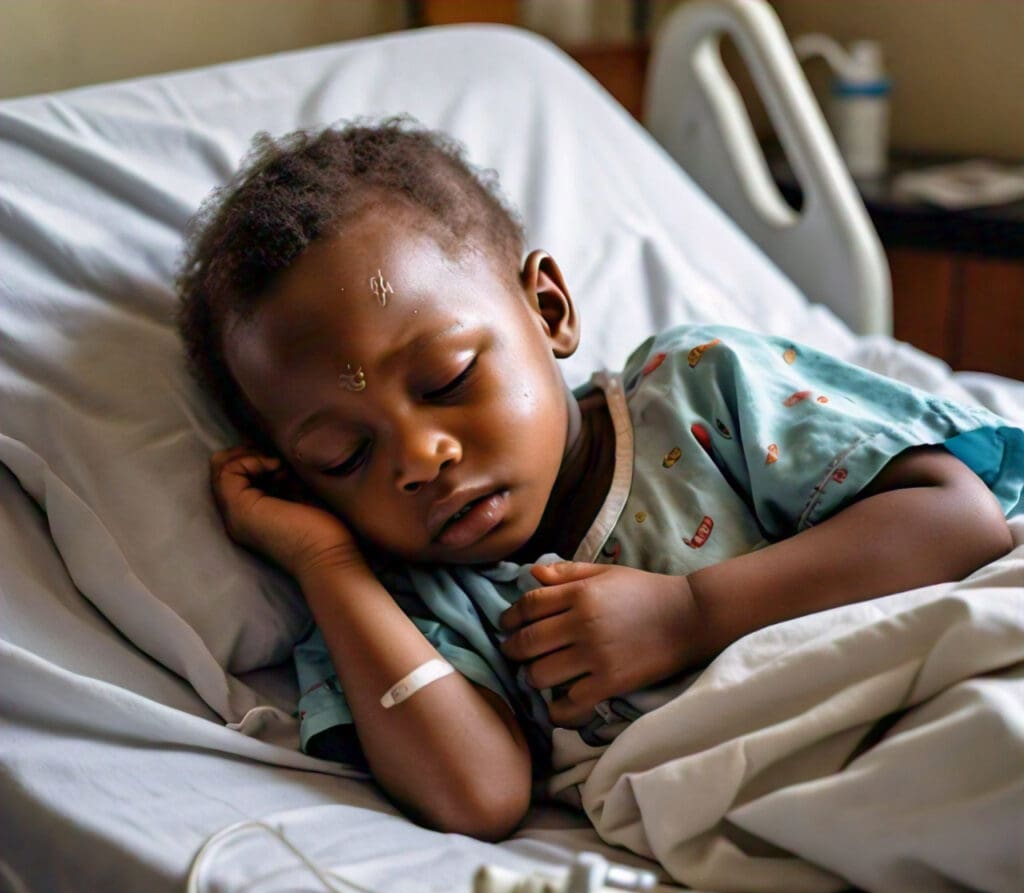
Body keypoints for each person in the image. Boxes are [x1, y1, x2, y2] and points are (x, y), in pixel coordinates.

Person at [176, 118, 1022, 842]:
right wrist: (329, 567)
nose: (418, 458)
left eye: (446, 380)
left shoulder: (698, 392)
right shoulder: (418, 603)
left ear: (548, 311)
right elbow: (478, 794)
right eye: (343, 457)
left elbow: (960, 523)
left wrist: (688, 615)